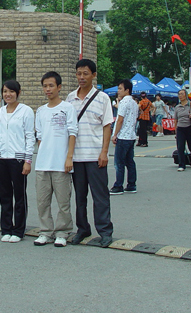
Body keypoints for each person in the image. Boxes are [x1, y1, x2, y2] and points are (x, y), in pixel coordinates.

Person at [66, 59, 114, 248]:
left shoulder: (103, 98)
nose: (81, 77)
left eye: (85, 73)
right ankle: (83, 228)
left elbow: (107, 126)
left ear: (94, 75)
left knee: (100, 196)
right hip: (76, 157)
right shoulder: (70, 98)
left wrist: (104, 152)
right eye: (78, 73)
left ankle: (105, 231)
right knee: (80, 197)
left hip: (95, 156)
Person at [34, 71, 78, 247]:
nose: (48, 89)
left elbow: (72, 133)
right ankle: (45, 231)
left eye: (51, 85)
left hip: (61, 164)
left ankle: (62, 232)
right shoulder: (41, 111)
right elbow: (39, 136)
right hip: (42, 164)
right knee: (42, 202)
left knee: (63, 203)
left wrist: (69, 158)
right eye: (45, 86)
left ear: (59, 87)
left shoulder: (67, 108)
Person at [0, 80, 35, 243]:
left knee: (19, 195)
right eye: (5, 91)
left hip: (18, 159)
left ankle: (18, 230)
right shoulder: (0, 111)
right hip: (1, 157)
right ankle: (6, 228)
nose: (7, 94)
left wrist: (28, 160)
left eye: (11, 91)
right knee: (4, 195)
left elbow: (30, 136)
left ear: (18, 93)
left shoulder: (26, 111)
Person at [110, 79, 138, 195]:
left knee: (119, 163)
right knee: (130, 161)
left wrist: (115, 134)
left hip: (123, 136)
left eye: (120, 89)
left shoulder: (123, 102)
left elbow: (120, 120)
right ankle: (131, 184)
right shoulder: (134, 103)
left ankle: (118, 185)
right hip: (131, 135)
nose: (118, 91)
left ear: (127, 90)